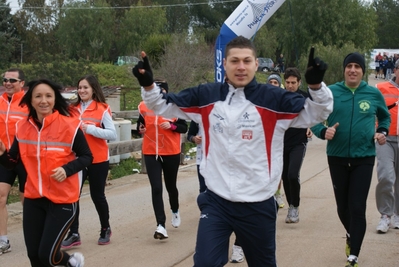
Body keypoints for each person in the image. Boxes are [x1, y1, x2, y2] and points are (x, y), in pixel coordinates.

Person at [133, 36, 333, 266]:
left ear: (256, 64)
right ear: (224, 64)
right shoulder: (206, 96)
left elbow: (319, 112)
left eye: (247, 61)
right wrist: (148, 84)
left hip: (258, 204)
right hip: (217, 202)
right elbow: (161, 105)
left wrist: (316, 86)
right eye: (234, 61)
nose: (241, 67)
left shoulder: (275, 100)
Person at [0, 79, 93, 267]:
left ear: (54, 99)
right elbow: (12, 164)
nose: (44, 100)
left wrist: (67, 170)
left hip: (63, 200)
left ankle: (70, 262)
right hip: (34, 199)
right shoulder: (23, 128)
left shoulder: (70, 126)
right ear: (31, 101)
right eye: (38, 96)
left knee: (47, 255)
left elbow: (86, 157)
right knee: (34, 256)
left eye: (48, 96)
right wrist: (2, 154)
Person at [311, 52, 390, 267]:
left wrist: (382, 130)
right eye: (349, 66)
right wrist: (322, 131)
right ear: (344, 69)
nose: (353, 70)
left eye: (357, 66)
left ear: (363, 71)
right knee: (342, 208)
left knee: (357, 207)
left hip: (363, 157)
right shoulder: (331, 93)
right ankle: (351, 233)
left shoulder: (373, 94)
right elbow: (315, 118)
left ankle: (353, 255)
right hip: (336, 156)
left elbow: (385, 116)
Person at [62, 75, 117, 248]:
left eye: (85, 87)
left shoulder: (102, 108)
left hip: (98, 159)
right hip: (77, 160)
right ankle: (74, 233)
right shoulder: (72, 109)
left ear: (93, 89)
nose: (82, 90)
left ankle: (105, 228)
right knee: (73, 197)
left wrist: (91, 129)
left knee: (97, 195)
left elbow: (112, 134)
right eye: (79, 87)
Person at [137, 79, 188, 240]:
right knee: (156, 188)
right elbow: (139, 126)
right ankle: (161, 225)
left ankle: (175, 210)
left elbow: (184, 127)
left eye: (161, 90)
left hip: (171, 151)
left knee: (170, 186)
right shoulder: (143, 106)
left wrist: (172, 127)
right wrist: (140, 129)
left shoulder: (174, 107)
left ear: (166, 92)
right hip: (151, 152)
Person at [0, 68, 28, 255]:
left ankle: (33, 234)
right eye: (5, 80)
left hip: (25, 158)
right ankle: (3, 240)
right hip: (3, 157)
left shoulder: (29, 103)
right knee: (1, 196)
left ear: (22, 83)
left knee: (26, 200)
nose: (8, 83)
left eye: (12, 80)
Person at [281, 68, 313, 223]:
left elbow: (314, 116)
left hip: (298, 142)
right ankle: (290, 206)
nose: (290, 85)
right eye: (287, 82)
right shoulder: (279, 98)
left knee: (293, 174)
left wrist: (310, 126)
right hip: (281, 143)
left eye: (293, 82)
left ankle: (295, 206)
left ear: (299, 82)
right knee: (285, 177)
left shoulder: (305, 98)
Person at [374, 60, 399, 233]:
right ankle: (385, 215)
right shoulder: (381, 88)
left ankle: (397, 214)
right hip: (385, 138)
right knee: (386, 177)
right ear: (396, 69)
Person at [187, 121, 206, 193]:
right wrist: (194, 138)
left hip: (219, 160)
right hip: (202, 159)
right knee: (203, 188)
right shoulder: (198, 117)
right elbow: (189, 135)